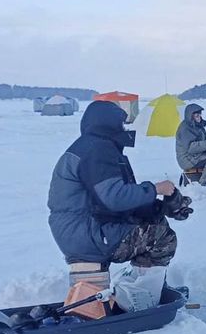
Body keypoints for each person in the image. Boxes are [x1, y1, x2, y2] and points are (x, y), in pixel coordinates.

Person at [48, 100, 194, 311]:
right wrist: (156, 189)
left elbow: (115, 202)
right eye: (121, 124)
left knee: (154, 224)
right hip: (88, 235)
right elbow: (114, 197)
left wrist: (160, 208)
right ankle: (143, 299)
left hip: (83, 230)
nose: (124, 129)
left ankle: (139, 290)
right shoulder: (98, 150)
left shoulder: (91, 147)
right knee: (162, 237)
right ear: (109, 124)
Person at [175, 104, 206, 189]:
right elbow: (190, 147)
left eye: (199, 115)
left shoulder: (197, 126)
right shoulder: (185, 128)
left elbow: (200, 143)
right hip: (187, 158)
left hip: (194, 156)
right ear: (190, 116)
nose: (199, 117)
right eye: (196, 116)